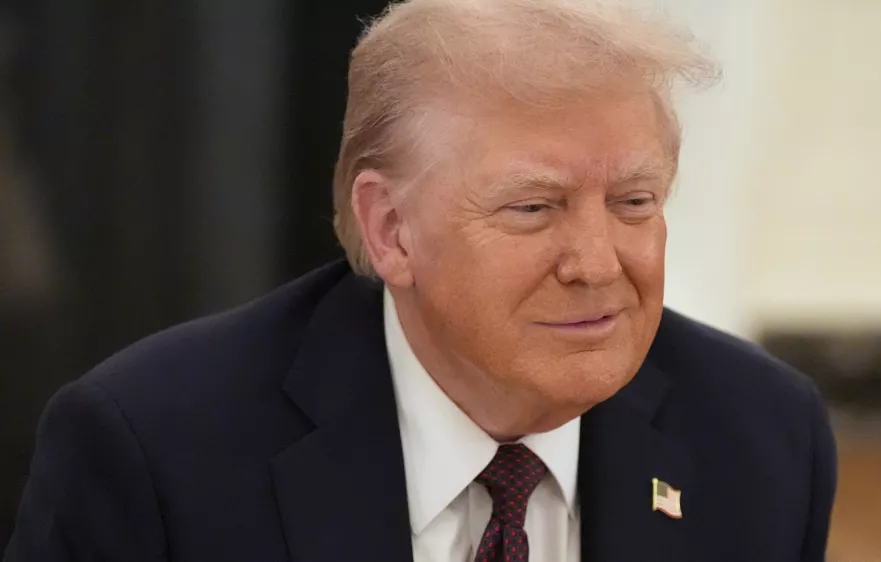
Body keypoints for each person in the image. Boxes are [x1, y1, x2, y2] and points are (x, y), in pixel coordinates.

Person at [5, 0, 837, 560]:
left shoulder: (762, 438)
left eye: (633, 201)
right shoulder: (153, 451)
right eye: (533, 208)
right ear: (391, 229)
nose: (596, 262)